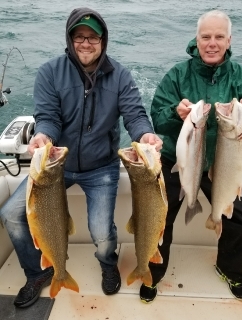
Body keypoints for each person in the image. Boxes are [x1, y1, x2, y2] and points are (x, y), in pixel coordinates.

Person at [0, 7, 162, 308]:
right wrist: (43, 136)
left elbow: (135, 115)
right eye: (79, 36)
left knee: (101, 231)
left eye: (93, 37)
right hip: (53, 168)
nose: (86, 43)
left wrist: (145, 136)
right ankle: (38, 273)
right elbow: (47, 117)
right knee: (10, 213)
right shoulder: (50, 72)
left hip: (101, 167)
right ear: (70, 38)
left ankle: (107, 263)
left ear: (103, 40)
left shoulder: (120, 76)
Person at [139, 10, 242, 303]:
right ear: (196, 39)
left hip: (222, 163)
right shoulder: (177, 74)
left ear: (229, 40)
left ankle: (230, 269)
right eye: (205, 37)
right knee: (158, 217)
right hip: (179, 160)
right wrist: (176, 114)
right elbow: (157, 118)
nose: (211, 43)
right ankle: (152, 272)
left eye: (218, 37)